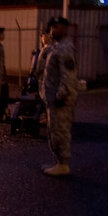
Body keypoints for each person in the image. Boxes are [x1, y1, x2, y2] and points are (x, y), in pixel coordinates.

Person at [39, 16, 79, 176]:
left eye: (56, 27)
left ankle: (63, 164)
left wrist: (61, 96)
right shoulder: (55, 47)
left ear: (64, 28)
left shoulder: (65, 48)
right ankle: (59, 162)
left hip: (60, 99)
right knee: (54, 130)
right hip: (52, 98)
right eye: (51, 27)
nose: (52, 30)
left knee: (60, 131)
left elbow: (68, 76)